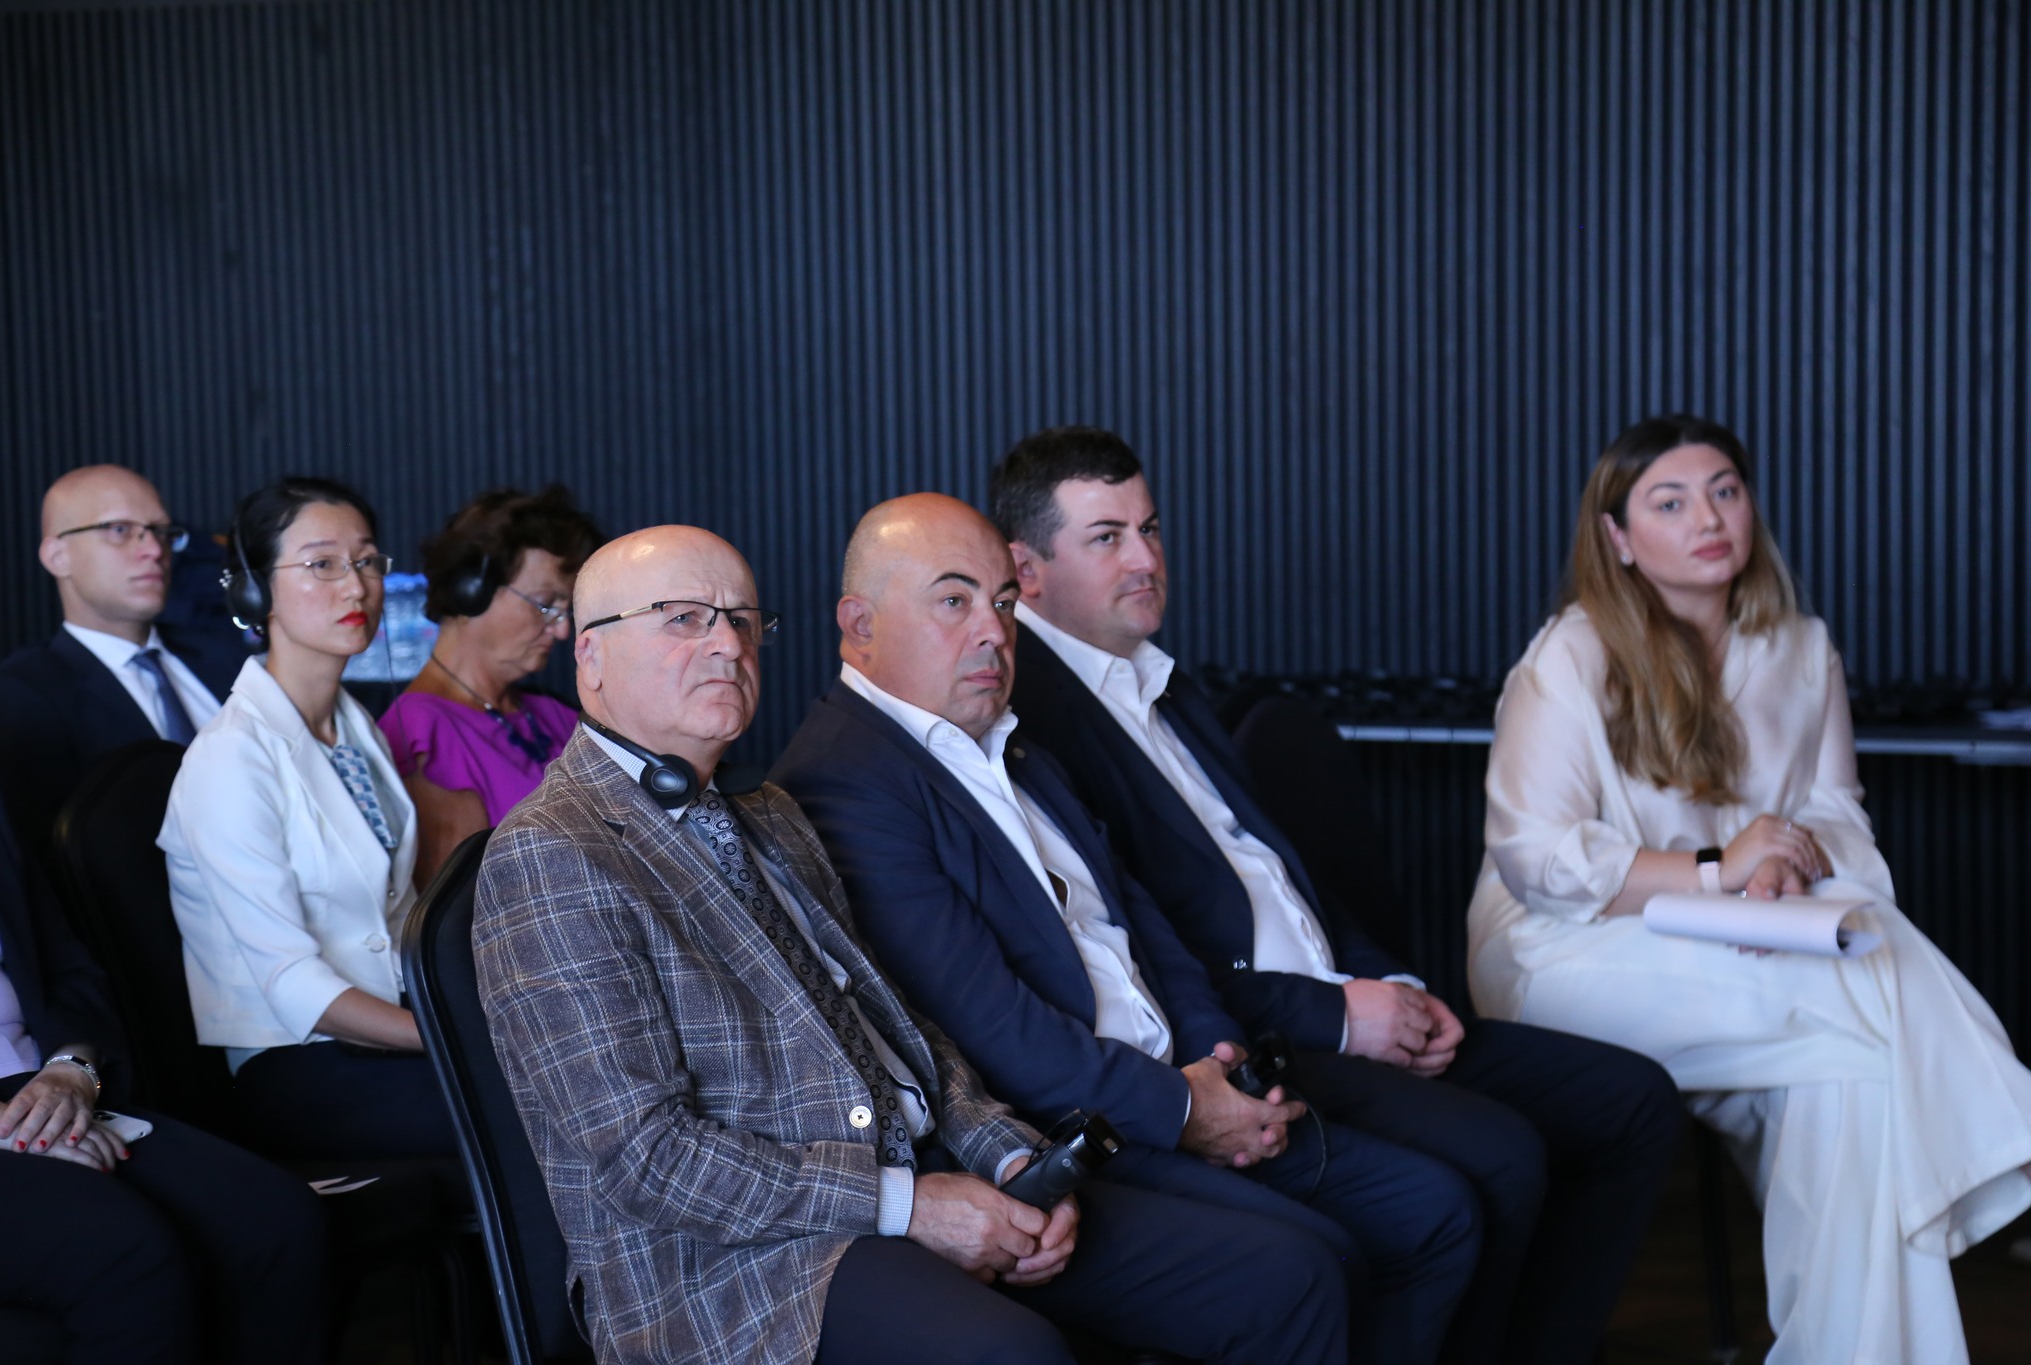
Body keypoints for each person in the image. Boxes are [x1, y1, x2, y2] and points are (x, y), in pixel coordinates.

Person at [474, 524, 1351, 1365]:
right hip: (740, 1267)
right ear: (590, 654)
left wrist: (1010, 1154)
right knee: (1012, 1354)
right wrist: (909, 1206)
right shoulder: (552, 852)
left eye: (743, 619)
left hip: (924, 1173)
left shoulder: (769, 812)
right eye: (684, 618)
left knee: (1289, 1278)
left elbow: (903, 1030)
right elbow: (649, 1160)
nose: (728, 645)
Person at [990, 426, 1683, 1364]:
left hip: (1345, 995)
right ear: (1027, 571)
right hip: (1267, 1031)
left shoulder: (1160, 678)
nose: (1147, 559)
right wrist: (1344, 1015)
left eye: (1149, 528)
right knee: (1497, 1160)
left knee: (1632, 1102)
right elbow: (1158, 951)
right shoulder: (1032, 720)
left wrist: (1393, 983)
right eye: (1107, 538)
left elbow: (1289, 882)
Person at [769, 494, 1477, 1365]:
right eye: (953, 600)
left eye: (1002, 601)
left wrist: (1219, 1064)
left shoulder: (1016, 745)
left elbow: (1146, 928)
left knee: (1434, 1210)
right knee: (1314, 1264)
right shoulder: (844, 780)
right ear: (859, 623)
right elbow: (993, 1028)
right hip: (1074, 1126)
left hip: (1177, 1082)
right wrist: (1185, 1109)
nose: (993, 631)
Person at [1466, 413, 2031, 1365]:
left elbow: (1837, 815)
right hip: (1568, 953)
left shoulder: (1802, 650)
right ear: (1617, 537)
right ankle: (2003, 1123)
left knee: (1848, 1080)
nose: (1708, 518)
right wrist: (1720, 867)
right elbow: (1538, 858)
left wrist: (1785, 865)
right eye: (1670, 502)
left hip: (1755, 945)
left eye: (1725, 490)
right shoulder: (1573, 652)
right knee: (1866, 983)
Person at [0, 752, 328, 1364]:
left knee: (275, 1220)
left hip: (35, 1083)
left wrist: (71, 1069)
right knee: (121, 1252)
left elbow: (65, 966)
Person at [159, 477, 450, 1162]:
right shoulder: (230, 758)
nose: (357, 587)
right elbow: (293, 985)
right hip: (303, 1064)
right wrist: (452, 1037)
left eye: (367, 560)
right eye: (322, 563)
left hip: (397, 1033)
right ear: (254, 592)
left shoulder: (356, 729)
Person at [0, 465, 247, 856]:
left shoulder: (225, 656)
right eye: (119, 530)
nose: (154, 550)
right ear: (58, 556)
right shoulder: (23, 694)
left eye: (161, 531)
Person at [379, 485, 603, 884]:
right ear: (472, 590)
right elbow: (460, 908)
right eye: (545, 604)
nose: (562, 630)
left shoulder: (555, 715)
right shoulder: (421, 733)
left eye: (566, 610)